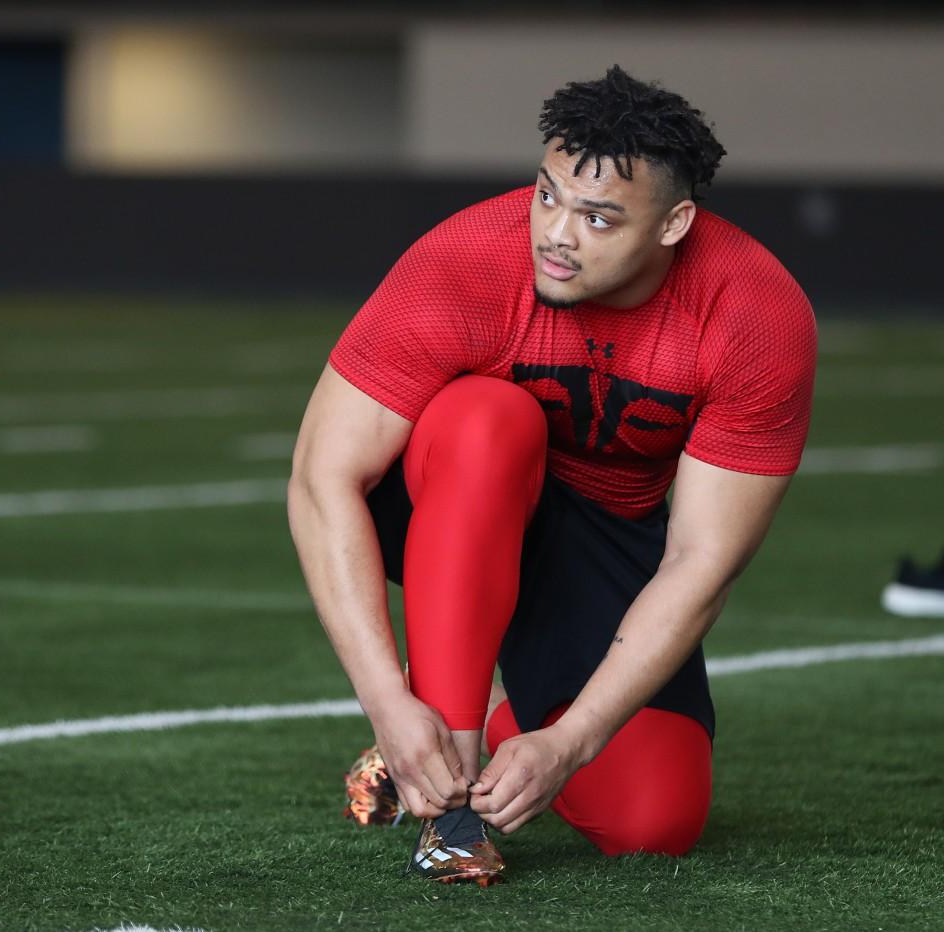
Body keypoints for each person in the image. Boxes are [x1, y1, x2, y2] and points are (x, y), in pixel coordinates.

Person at [288, 64, 817, 885]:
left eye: (600, 217)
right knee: (490, 421)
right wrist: (387, 705)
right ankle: (449, 805)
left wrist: (571, 741)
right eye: (548, 195)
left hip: (602, 536)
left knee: (655, 821)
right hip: (454, 493)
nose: (557, 234)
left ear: (675, 224)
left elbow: (700, 562)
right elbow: (324, 477)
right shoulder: (467, 257)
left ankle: (501, 734)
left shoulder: (754, 314)